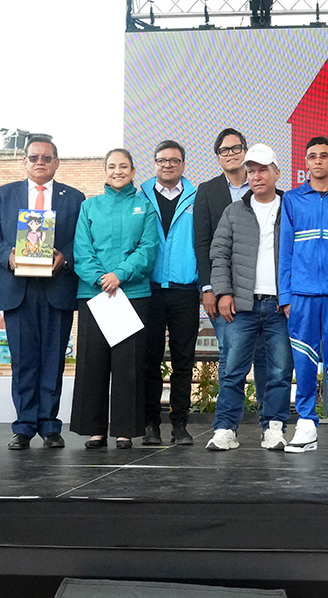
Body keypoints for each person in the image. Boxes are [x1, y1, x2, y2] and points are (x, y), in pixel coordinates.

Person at [0, 135, 84, 450]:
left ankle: (50, 426)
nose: (40, 162)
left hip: (57, 288)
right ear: (23, 161)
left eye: (46, 157)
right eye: (34, 157)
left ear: (56, 162)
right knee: (23, 361)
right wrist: (9, 256)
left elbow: (82, 239)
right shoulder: (4, 194)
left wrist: (64, 256)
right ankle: (24, 426)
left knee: (53, 360)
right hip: (18, 288)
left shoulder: (75, 198)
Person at [206, 144, 294, 451]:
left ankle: (273, 427)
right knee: (232, 371)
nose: (257, 176)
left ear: (276, 173)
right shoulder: (234, 211)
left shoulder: (290, 207)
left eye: (263, 170)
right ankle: (225, 429)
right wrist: (224, 293)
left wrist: (292, 294)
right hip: (242, 306)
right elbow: (219, 255)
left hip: (281, 306)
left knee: (280, 372)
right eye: (251, 170)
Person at [71, 149, 159, 449]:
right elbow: (82, 250)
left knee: (128, 365)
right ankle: (94, 429)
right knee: (92, 363)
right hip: (94, 294)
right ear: (104, 171)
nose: (117, 171)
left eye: (124, 166)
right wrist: (100, 277)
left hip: (131, 293)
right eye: (112, 166)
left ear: (134, 171)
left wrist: (120, 274)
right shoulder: (89, 207)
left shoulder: (144, 207)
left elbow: (148, 249)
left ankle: (124, 430)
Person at [278, 136, 328, 453]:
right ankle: (306, 423)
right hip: (302, 296)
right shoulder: (293, 200)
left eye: (325, 156)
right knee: (304, 359)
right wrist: (285, 295)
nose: (319, 160)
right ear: (305, 163)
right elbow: (285, 251)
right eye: (313, 156)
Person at [195, 128, 267, 439]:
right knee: (231, 362)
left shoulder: (265, 189)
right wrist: (209, 288)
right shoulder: (207, 190)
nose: (231, 153)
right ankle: (227, 428)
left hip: (263, 294)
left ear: (246, 151)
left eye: (237, 148)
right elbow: (202, 244)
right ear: (218, 156)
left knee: (267, 361)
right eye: (224, 150)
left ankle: (270, 426)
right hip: (225, 293)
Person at [138, 140, 199, 446]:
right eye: (162, 160)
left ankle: (180, 424)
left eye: (174, 161)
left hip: (184, 290)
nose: (168, 165)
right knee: (149, 359)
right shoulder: (141, 196)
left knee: (183, 360)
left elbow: (203, 243)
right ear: (155, 163)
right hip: (147, 289)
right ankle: (150, 423)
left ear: (183, 164)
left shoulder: (196, 197)